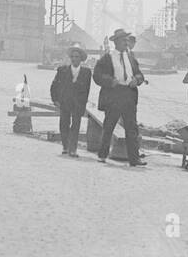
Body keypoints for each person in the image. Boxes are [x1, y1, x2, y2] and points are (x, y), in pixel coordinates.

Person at [92, 29, 146, 166]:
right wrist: (110, 81)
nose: (126, 43)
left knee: (131, 128)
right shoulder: (107, 57)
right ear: (116, 42)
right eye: (123, 40)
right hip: (114, 94)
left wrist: (137, 80)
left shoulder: (131, 57)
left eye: (127, 40)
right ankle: (102, 155)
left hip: (129, 94)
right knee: (109, 125)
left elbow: (140, 74)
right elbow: (97, 75)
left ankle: (134, 159)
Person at [49, 46, 92, 157]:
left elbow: (86, 90)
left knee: (76, 125)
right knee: (64, 123)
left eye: (77, 57)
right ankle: (65, 147)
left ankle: (73, 149)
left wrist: (83, 104)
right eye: (72, 57)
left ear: (81, 59)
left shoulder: (86, 72)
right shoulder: (62, 70)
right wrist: (55, 100)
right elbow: (54, 86)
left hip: (78, 103)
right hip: (65, 102)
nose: (74, 59)